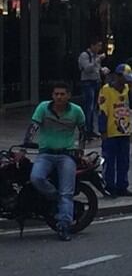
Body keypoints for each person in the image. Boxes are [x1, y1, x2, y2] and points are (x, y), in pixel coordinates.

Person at [25, 82, 86, 241]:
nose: (59, 97)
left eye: (62, 94)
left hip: (66, 155)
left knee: (67, 193)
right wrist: (24, 147)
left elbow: (83, 131)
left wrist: (81, 150)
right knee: (36, 177)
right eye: (56, 94)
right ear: (52, 95)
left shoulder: (76, 111)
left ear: (68, 96)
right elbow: (33, 127)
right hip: (45, 154)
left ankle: (64, 226)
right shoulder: (43, 108)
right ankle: (56, 198)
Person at [99, 64, 132, 197]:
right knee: (109, 161)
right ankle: (109, 186)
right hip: (110, 130)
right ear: (117, 76)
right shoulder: (106, 90)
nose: (126, 82)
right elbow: (102, 111)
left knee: (124, 161)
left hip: (124, 130)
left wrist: (131, 89)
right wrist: (102, 131)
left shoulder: (126, 88)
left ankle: (122, 186)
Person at [77, 38, 105, 139]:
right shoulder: (85, 55)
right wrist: (97, 60)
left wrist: (102, 71)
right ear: (92, 45)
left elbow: (96, 69)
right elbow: (87, 68)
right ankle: (85, 130)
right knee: (88, 107)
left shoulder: (96, 56)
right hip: (87, 83)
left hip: (96, 82)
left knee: (94, 107)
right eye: (98, 45)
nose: (99, 48)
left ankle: (91, 129)